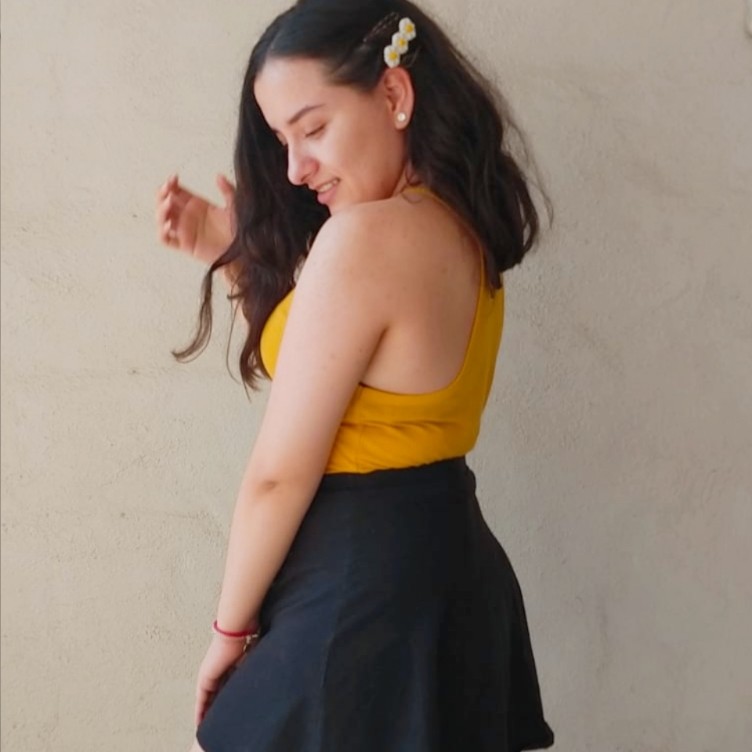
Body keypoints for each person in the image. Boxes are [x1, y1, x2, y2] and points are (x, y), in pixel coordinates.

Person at [155, 1, 555, 750]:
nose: (293, 169)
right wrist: (233, 256)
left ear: (395, 94)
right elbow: (348, 387)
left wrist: (228, 634)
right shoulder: (456, 226)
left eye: (312, 129)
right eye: (282, 140)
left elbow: (279, 476)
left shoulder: (363, 239)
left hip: (360, 590)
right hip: (440, 569)